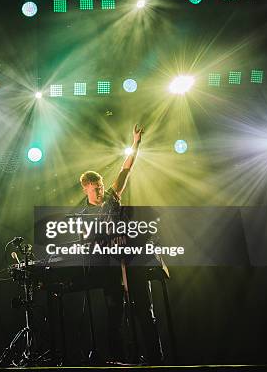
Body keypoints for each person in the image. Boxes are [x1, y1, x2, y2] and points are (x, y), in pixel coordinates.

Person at [78, 125, 164, 365]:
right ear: (85, 188)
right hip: (110, 267)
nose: (99, 191)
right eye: (94, 188)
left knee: (145, 312)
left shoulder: (112, 197)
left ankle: (156, 360)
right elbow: (87, 243)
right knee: (115, 314)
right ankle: (118, 359)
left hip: (131, 260)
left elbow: (126, 169)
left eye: (101, 186)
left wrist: (136, 143)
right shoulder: (84, 215)